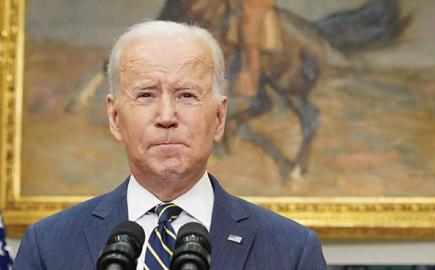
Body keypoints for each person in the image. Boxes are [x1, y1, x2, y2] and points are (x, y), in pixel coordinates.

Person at [13, 21, 327, 270]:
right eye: (146, 94)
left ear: (219, 118)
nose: (166, 116)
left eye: (187, 95)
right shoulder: (49, 246)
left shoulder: (291, 251)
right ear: (114, 117)